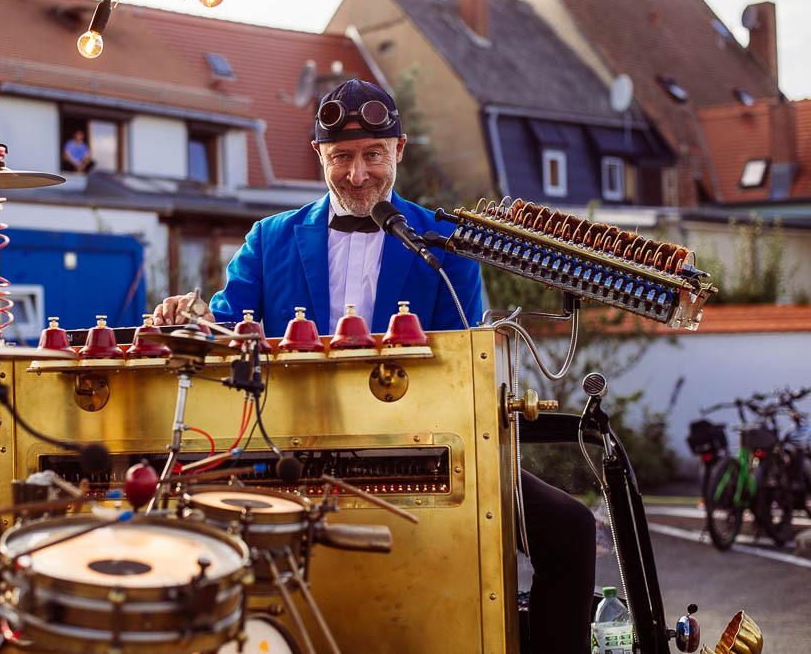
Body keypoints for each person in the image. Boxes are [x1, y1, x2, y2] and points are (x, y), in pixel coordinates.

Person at [153, 79, 595, 652]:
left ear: (399, 151)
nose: (358, 174)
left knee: (571, 529)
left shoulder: (445, 241)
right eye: (341, 157)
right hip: (292, 449)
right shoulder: (268, 239)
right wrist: (187, 323)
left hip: (425, 447)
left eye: (373, 156)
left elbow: (463, 358)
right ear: (319, 156)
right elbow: (223, 329)